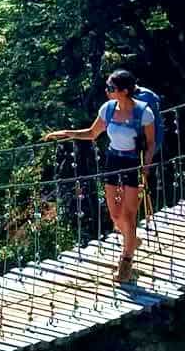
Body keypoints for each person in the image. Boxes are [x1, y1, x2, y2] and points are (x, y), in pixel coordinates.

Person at [43, 69, 156, 281]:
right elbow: (93, 133)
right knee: (115, 215)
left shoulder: (144, 113)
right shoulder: (108, 109)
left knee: (129, 215)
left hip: (133, 162)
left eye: (111, 88)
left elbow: (150, 144)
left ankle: (126, 262)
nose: (107, 91)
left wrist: (146, 165)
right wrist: (68, 133)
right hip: (113, 160)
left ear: (124, 91)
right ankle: (131, 240)